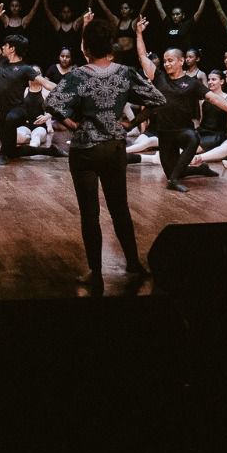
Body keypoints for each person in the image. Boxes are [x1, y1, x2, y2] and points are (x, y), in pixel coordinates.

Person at [44, 17, 163, 289]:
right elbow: (157, 99)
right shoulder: (125, 72)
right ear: (109, 45)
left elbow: (53, 103)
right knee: (119, 208)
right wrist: (130, 123)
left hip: (85, 149)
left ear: (85, 47)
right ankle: (133, 263)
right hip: (114, 147)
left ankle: (95, 272)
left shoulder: (77, 75)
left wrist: (74, 125)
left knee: (90, 214)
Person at [134, 18, 227, 191]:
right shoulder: (159, 77)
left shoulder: (192, 83)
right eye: (165, 60)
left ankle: (174, 181)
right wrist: (139, 33)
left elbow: (214, 98)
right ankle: (199, 170)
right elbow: (141, 56)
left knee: (193, 138)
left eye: (170, 60)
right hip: (165, 133)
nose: (167, 63)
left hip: (183, 131)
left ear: (181, 61)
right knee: (174, 171)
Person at [0, 5, 62, 164]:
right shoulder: (3, 62)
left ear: (12, 49)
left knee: (8, 122)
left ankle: (3, 153)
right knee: (14, 151)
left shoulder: (25, 68)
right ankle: (49, 151)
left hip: (19, 110)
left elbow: (44, 82)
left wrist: (61, 89)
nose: (3, 47)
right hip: (3, 110)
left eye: (6, 45)